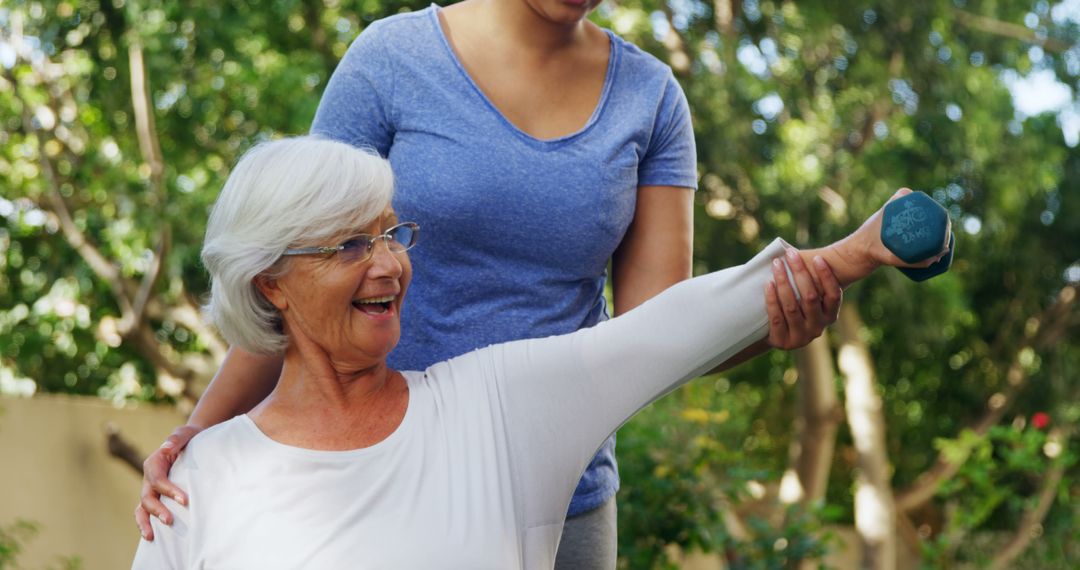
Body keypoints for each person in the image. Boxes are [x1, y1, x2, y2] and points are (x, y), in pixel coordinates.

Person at [136, 1, 845, 564]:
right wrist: (199, 437)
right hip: (378, 465)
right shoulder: (391, 62)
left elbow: (658, 335)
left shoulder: (651, 98)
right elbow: (303, 266)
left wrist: (774, 318)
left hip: (559, 493)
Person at [132, 137, 940, 569]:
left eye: (389, 232)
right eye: (348, 245)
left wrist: (851, 255)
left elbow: (665, 330)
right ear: (271, 285)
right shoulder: (201, 485)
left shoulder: (499, 408)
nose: (388, 264)